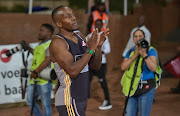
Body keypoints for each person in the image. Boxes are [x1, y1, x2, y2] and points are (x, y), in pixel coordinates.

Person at [50, 6, 109, 116]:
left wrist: (98, 48)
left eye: (72, 14)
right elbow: (72, 71)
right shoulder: (58, 43)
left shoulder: (80, 36)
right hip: (69, 98)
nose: (73, 18)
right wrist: (90, 49)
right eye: (68, 16)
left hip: (80, 96)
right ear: (59, 24)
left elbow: (95, 66)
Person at [121, 29, 162, 116]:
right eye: (135, 36)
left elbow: (153, 68)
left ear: (144, 38)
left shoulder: (151, 50)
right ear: (133, 39)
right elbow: (123, 67)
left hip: (146, 88)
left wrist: (144, 55)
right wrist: (135, 55)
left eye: (140, 36)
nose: (137, 38)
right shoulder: (131, 51)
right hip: (132, 89)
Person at [26, 23, 54, 116]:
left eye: (42, 30)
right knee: (30, 101)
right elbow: (37, 54)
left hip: (44, 79)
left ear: (49, 33)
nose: (39, 32)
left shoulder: (51, 44)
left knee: (45, 105)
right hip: (34, 77)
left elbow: (47, 60)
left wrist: (35, 71)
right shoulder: (40, 45)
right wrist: (28, 48)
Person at [86, 19, 112, 110]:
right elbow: (86, 49)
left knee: (102, 82)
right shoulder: (89, 36)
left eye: (99, 24)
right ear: (94, 25)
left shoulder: (104, 36)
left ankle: (108, 101)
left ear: (102, 25)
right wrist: (91, 52)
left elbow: (108, 50)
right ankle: (81, 100)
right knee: (86, 81)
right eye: (96, 24)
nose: (98, 26)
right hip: (90, 64)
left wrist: (98, 52)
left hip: (101, 64)